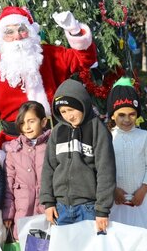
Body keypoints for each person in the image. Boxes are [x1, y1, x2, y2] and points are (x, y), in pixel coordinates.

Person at [0, 6, 97, 141]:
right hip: (15, 144)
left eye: (22, 30)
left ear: (30, 32)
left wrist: (74, 30)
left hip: (57, 136)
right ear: (1, 38)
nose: (17, 36)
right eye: (9, 32)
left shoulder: (50, 55)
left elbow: (85, 61)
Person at [40, 79, 116, 234]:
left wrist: (102, 210)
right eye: (63, 112)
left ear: (83, 104)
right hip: (60, 208)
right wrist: (48, 202)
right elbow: (48, 168)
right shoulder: (57, 132)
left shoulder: (98, 130)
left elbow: (106, 171)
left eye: (72, 109)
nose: (69, 116)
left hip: (88, 208)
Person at [2, 101, 51, 239]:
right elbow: (8, 185)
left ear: (43, 122)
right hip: (23, 213)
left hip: (47, 212)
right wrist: (8, 214)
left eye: (31, 121)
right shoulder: (14, 150)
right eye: (23, 123)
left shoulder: (51, 146)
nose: (27, 127)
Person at [107, 81, 147, 207]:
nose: (127, 120)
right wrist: (113, 189)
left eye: (132, 114)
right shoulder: (108, 137)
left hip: (142, 199)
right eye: (121, 115)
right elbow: (103, 169)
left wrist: (143, 190)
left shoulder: (144, 136)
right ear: (112, 115)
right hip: (116, 200)